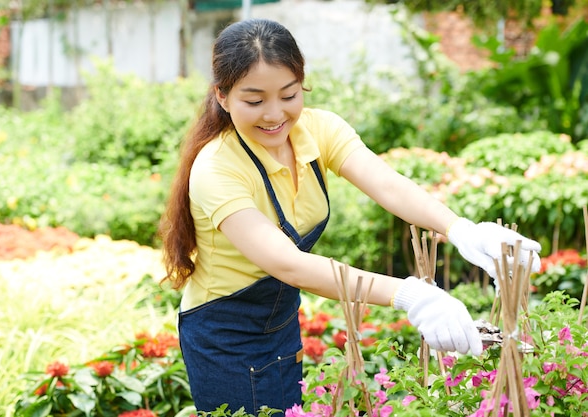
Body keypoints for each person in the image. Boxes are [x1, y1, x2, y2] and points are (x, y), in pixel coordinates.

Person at [158, 18, 541, 415]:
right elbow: (289, 265)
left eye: (289, 95)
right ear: (222, 96)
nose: (274, 115)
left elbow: (388, 185)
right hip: (224, 334)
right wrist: (409, 294)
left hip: (280, 320)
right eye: (254, 101)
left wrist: (460, 229)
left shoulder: (319, 129)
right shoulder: (217, 169)